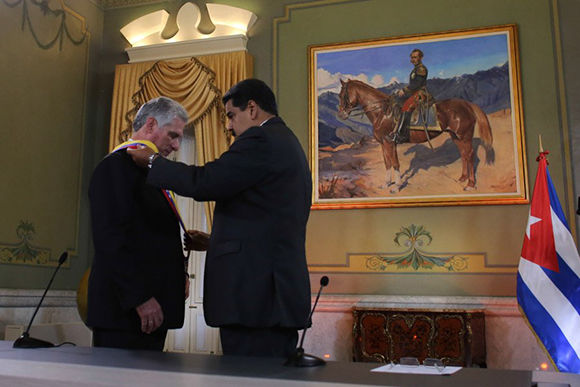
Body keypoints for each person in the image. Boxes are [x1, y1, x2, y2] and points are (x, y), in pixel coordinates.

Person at [128, 79, 313, 358]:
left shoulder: (261, 139)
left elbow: (206, 182)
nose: (228, 126)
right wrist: (215, 242)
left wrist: (153, 162)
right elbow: (266, 222)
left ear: (252, 108)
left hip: (255, 300)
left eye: (230, 116)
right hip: (269, 296)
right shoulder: (286, 142)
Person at [87, 96, 190, 351]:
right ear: (152, 125)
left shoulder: (152, 171)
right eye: (173, 136)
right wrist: (140, 298)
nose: (176, 146)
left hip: (151, 314)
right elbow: (111, 240)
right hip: (125, 313)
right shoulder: (115, 167)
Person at [389, 48, 429, 144]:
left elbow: (417, 85)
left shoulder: (421, 69)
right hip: (413, 92)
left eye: (415, 57)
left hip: (420, 93)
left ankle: (402, 135)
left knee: (406, 107)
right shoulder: (416, 69)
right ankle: (395, 129)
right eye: (412, 57)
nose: (413, 59)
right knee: (397, 101)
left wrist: (404, 90)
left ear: (420, 57)